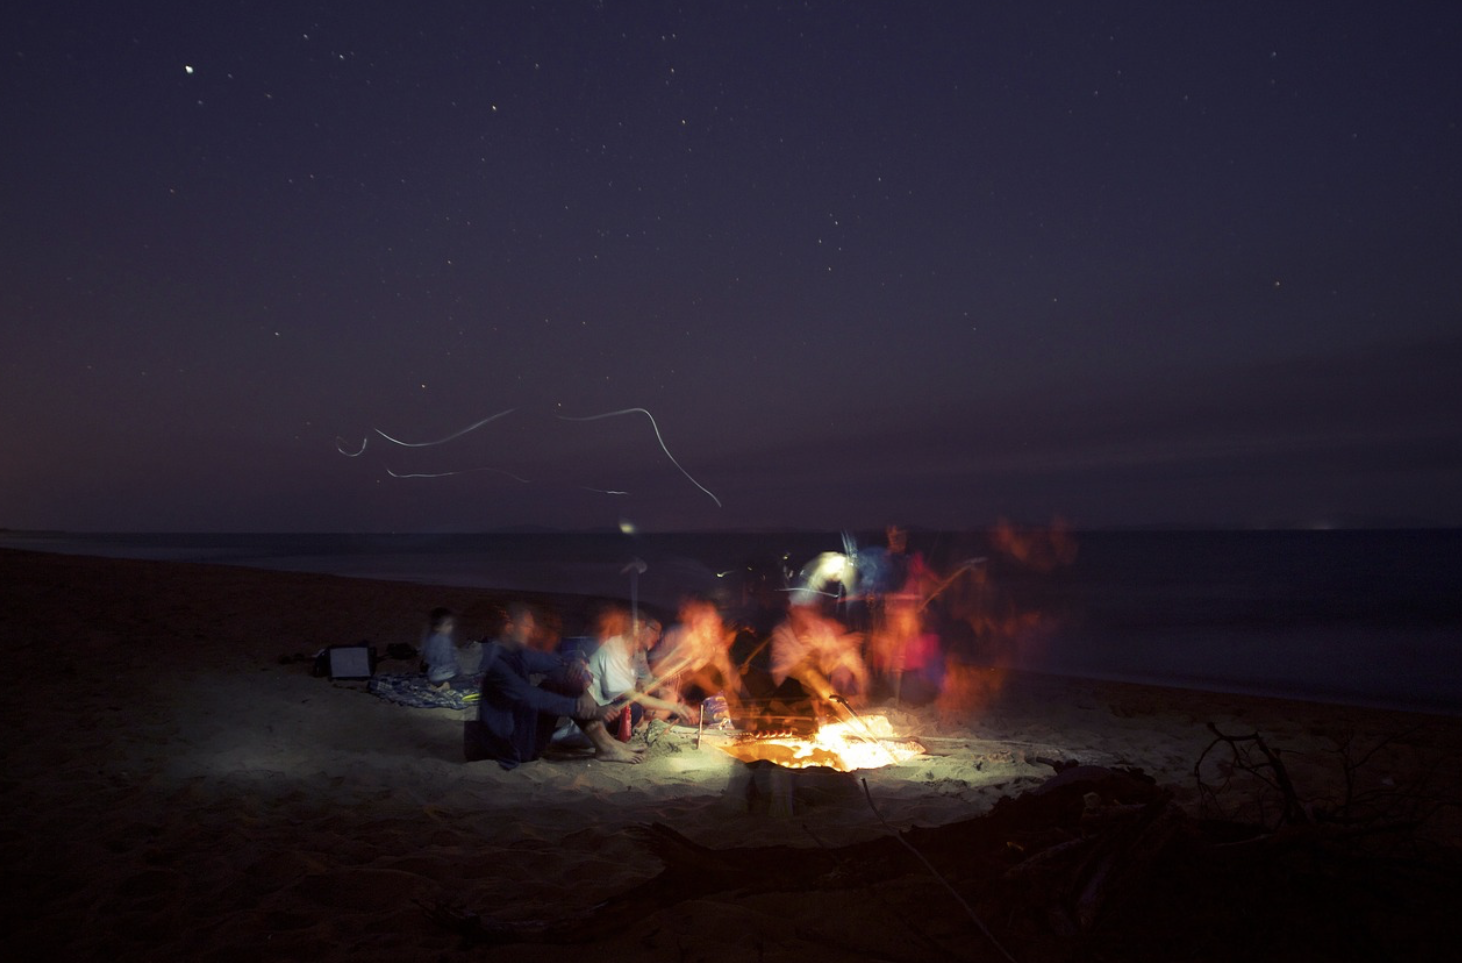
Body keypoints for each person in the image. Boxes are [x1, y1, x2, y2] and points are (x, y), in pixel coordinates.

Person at [472, 603, 644, 769]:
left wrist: (581, 674)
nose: (532, 630)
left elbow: (559, 660)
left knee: (566, 676)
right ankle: (607, 746)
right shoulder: (496, 663)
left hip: (523, 728)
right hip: (512, 746)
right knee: (557, 685)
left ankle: (607, 744)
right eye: (527, 625)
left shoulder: (518, 653)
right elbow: (535, 698)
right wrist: (589, 709)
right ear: (509, 627)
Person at [585, 608, 692, 733]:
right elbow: (632, 697)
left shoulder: (638, 653)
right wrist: (675, 707)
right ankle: (643, 727)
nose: (658, 637)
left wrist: (667, 692)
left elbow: (648, 682)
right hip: (595, 714)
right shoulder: (614, 651)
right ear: (639, 628)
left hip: (617, 706)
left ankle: (646, 725)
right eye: (655, 630)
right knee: (634, 708)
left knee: (668, 695)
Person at [649, 596, 743, 709]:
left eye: (716, 618)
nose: (716, 622)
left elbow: (729, 672)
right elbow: (690, 673)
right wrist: (718, 692)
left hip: (679, 692)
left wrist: (742, 697)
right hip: (655, 686)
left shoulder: (713, 641)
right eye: (710, 618)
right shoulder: (682, 635)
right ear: (697, 621)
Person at [421, 607, 463, 688]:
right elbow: (446, 660)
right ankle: (447, 685)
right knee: (465, 683)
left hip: (433, 676)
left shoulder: (431, 638)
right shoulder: (444, 639)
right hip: (445, 676)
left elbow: (427, 657)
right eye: (448, 625)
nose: (451, 627)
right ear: (437, 627)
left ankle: (437, 685)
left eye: (452, 624)